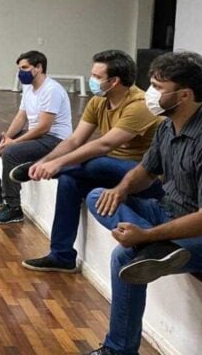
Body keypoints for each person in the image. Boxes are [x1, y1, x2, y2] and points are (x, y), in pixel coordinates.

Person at [84, 51, 202, 355]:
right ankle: (156, 251)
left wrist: (145, 236)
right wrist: (122, 189)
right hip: (170, 213)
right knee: (99, 195)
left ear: (184, 95)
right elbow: (145, 172)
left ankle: (118, 351)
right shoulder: (166, 124)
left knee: (125, 257)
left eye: (158, 87)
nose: (150, 93)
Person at [12, 50, 164, 272]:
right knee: (69, 182)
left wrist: (57, 165)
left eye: (97, 76)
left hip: (142, 178)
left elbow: (104, 145)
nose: (92, 80)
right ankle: (61, 256)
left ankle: (58, 171)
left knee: (96, 162)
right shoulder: (98, 102)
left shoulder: (139, 104)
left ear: (114, 82)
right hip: (109, 172)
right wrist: (44, 161)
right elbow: (74, 140)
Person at [0, 50, 72, 224]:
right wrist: (6, 138)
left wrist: (13, 142)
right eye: (19, 68)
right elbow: (21, 117)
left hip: (54, 139)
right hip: (36, 135)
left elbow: (44, 127)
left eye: (25, 68)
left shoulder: (52, 89)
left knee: (11, 152)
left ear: (39, 67)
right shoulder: (28, 87)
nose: (20, 72)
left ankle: (13, 207)